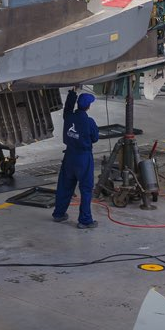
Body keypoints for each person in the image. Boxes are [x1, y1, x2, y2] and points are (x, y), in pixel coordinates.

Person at [51, 88, 100, 228]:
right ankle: (85, 221)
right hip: (83, 158)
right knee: (86, 189)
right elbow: (95, 138)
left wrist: (72, 93)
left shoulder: (68, 116)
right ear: (88, 106)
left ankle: (58, 214)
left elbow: (68, 107)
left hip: (69, 156)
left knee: (65, 186)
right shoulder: (89, 122)